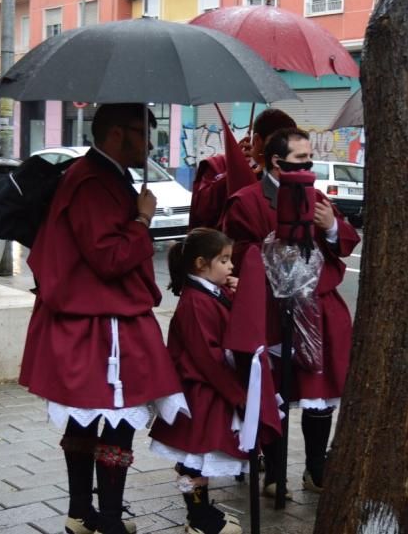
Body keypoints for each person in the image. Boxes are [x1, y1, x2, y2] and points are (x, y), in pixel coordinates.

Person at [18, 104, 188, 534]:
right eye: (144, 132)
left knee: (84, 420)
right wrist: (143, 219)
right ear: (116, 133)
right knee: (113, 422)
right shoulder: (94, 181)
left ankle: (83, 514)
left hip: (90, 319)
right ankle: (107, 521)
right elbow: (109, 258)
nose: (151, 143)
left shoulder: (98, 175)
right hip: (103, 322)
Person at [221, 127, 360, 496]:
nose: (308, 166)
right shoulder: (246, 201)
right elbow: (235, 255)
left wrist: (330, 227)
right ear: (277, 162)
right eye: (301, 160)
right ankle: (274, 473)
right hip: (272, 309)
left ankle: (316, 469)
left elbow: (346, 242)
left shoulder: (316, 197)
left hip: (320, 308)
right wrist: (274, 249)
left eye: (310, 159)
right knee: (275, 393)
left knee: (319, 393)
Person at [149, 228, 244, 534]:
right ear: (201, 264)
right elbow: (208, 358)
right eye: (224, 260)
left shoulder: (209, 294)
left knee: (199, 456)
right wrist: (237, 395)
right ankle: (199, 519)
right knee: (197, 458)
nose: (230, 266)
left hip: (207, 390)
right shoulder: (196, 302)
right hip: (202, 393)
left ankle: (200, 513)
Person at [189, 108, 296, 230]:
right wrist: (235, 171)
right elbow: (202, 209)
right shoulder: (221, 165)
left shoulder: (286, 173)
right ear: (257, 140)